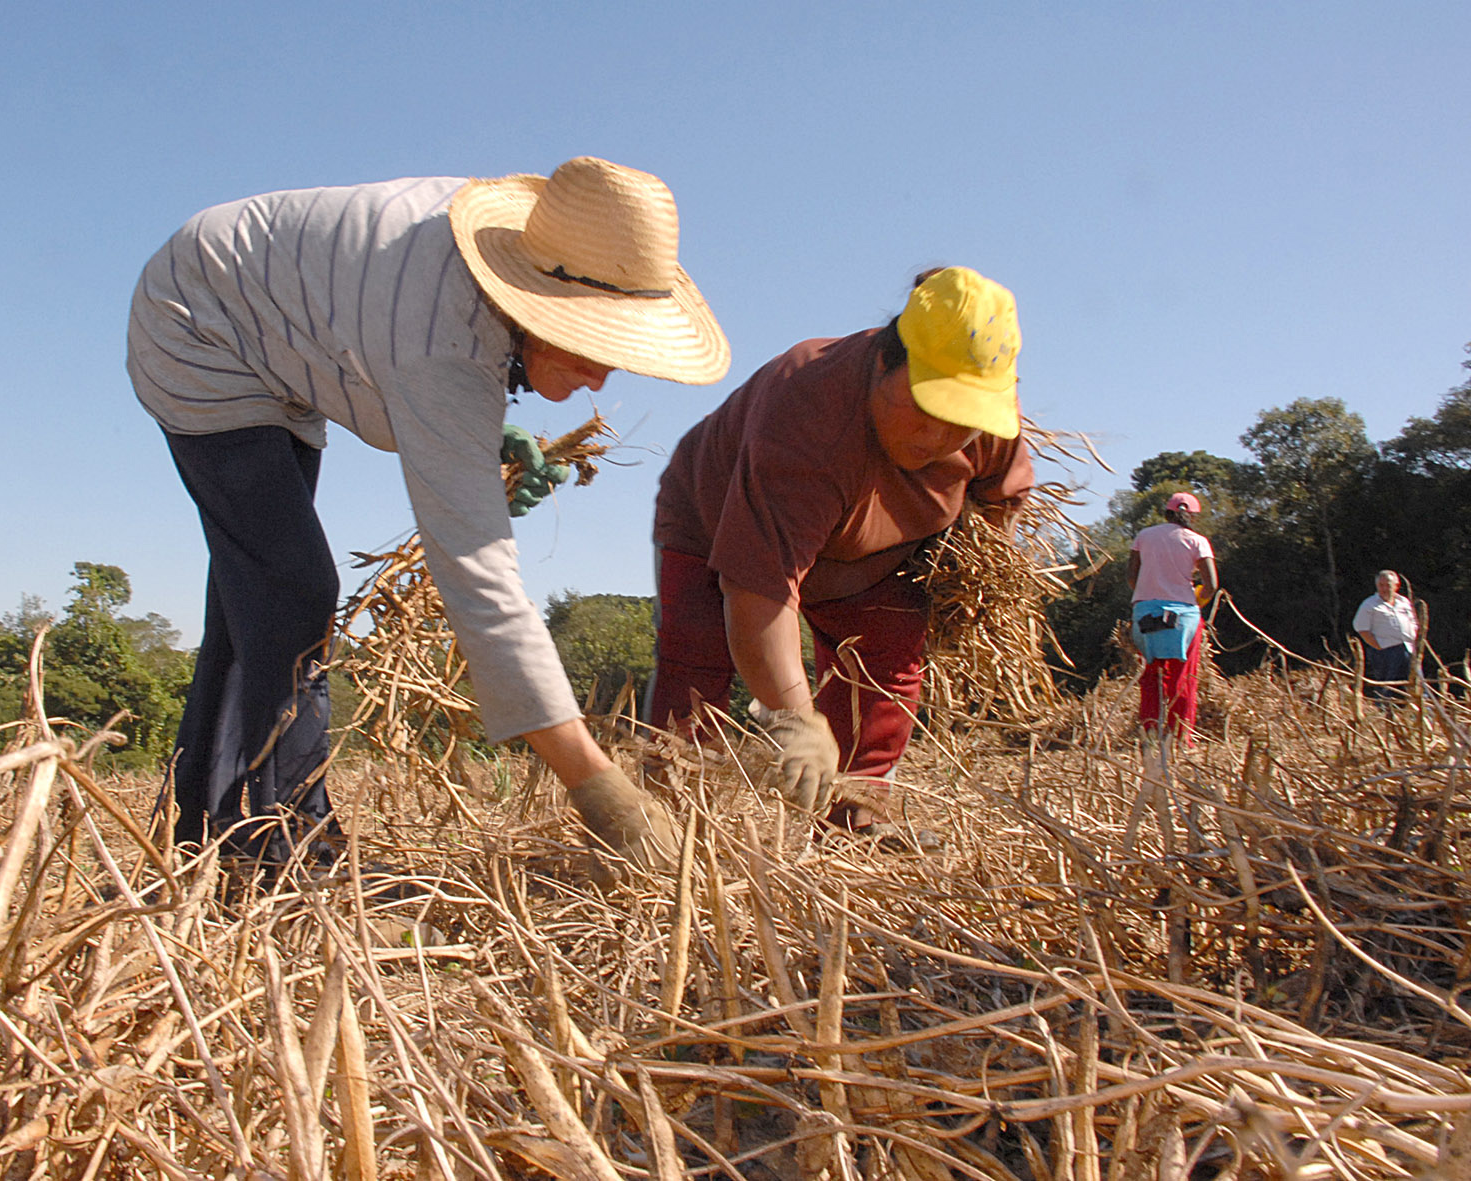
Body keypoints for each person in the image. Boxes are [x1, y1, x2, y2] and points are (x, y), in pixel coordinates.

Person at [127, 156, 731, 870]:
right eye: (594, 343)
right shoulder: (439, 335)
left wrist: (482, 436)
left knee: (252, 603)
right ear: (536, 299)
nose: (604, 374)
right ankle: (294, 850)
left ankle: (208, 837)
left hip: (270, 323)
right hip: (200, 324)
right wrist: (601, 790)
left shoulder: (505, 270)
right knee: (290, 589)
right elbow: (479, 579)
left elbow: (412, 366)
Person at [647, 267, 1034, 829]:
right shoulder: (808, 410)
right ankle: (661, 818)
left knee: (885, 669)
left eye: (961, 424)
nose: (937, 439)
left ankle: (857, 815)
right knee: (695, 665)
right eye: (925, 407)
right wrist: (794, 720)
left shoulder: (993, 424)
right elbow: (759, 592)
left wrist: (964, 585)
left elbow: (998, 505)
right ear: (883, 361)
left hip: (874, 555)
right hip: (713, 527)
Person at [1126, 492, 1219, 742]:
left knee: (1150, 677)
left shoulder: (1144, 536)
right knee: (1183, 678)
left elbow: (1132, 577)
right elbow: (1211, 585)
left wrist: (1149, 592)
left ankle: (1150, 735)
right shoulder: (1197, 541)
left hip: (1145, 612)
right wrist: (1198, 598)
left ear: (1166, 513)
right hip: (1183, 616)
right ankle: (1180, 738)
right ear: (1192, 516)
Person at [1352, 569, 1418, 699]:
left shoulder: (1404, 602)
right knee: (1388, 686)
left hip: (1408, 649)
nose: (1384, 589)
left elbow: (1413, 621)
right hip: (1386, 652)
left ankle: (1412, 714)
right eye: (1381, 585)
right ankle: (1383, 713)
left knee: (1413, 684)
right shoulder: (1369, 604)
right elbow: (1361, 628)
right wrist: (1378, 646)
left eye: (1388, 585)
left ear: (1396, 586)